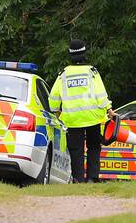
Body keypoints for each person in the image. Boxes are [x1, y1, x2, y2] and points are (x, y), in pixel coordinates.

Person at [49, 38, 114, 183]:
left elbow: (53, 97)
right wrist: (109, 109)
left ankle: (78, 179)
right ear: (84, 53)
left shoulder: (63, 74)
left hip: (72, 119)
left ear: (70, 55)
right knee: (93, 147)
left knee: (76, 150)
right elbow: (101, 94)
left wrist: (56, 112)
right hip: (92, 117)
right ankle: (92, 177)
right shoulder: (91, 71)